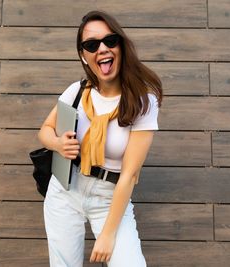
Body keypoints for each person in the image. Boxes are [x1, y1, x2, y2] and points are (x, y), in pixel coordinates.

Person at [38, 10, 163, 267]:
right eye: (92, 45)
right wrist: (58, 143)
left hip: (110, 197)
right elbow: (45, 130)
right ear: (84, 56)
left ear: (121, 45)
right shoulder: (77, 91)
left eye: (110, 41)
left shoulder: (142, 103)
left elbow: (129, 175)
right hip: (65, 191)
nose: (102, 49)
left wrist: (107, 235)